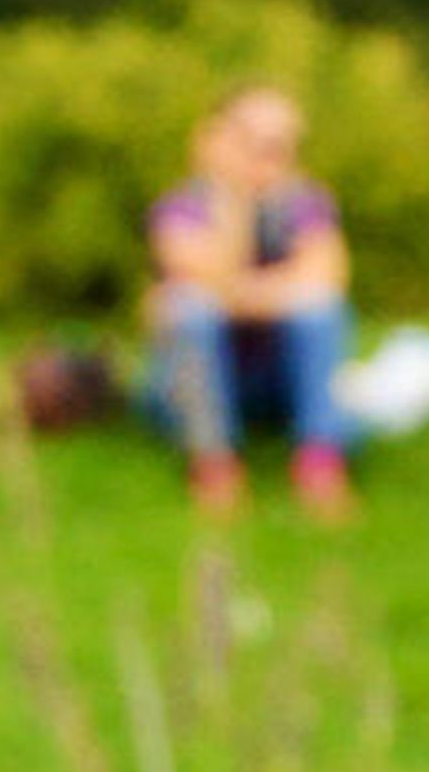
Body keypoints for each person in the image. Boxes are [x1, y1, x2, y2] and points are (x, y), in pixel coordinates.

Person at [145, 86, 355, 517]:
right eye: (253, 141)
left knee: (320, 311)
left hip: (275, 382)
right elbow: (198, 280)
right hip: (187, 390)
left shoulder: (306, 204)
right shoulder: (181, 209)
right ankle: (213, 461)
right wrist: (233, 201)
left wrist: (232, 293)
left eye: (281, 145)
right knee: (191, 311)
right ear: (214, 139)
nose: (268, 157)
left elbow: (328, 279)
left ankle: (319, 461)